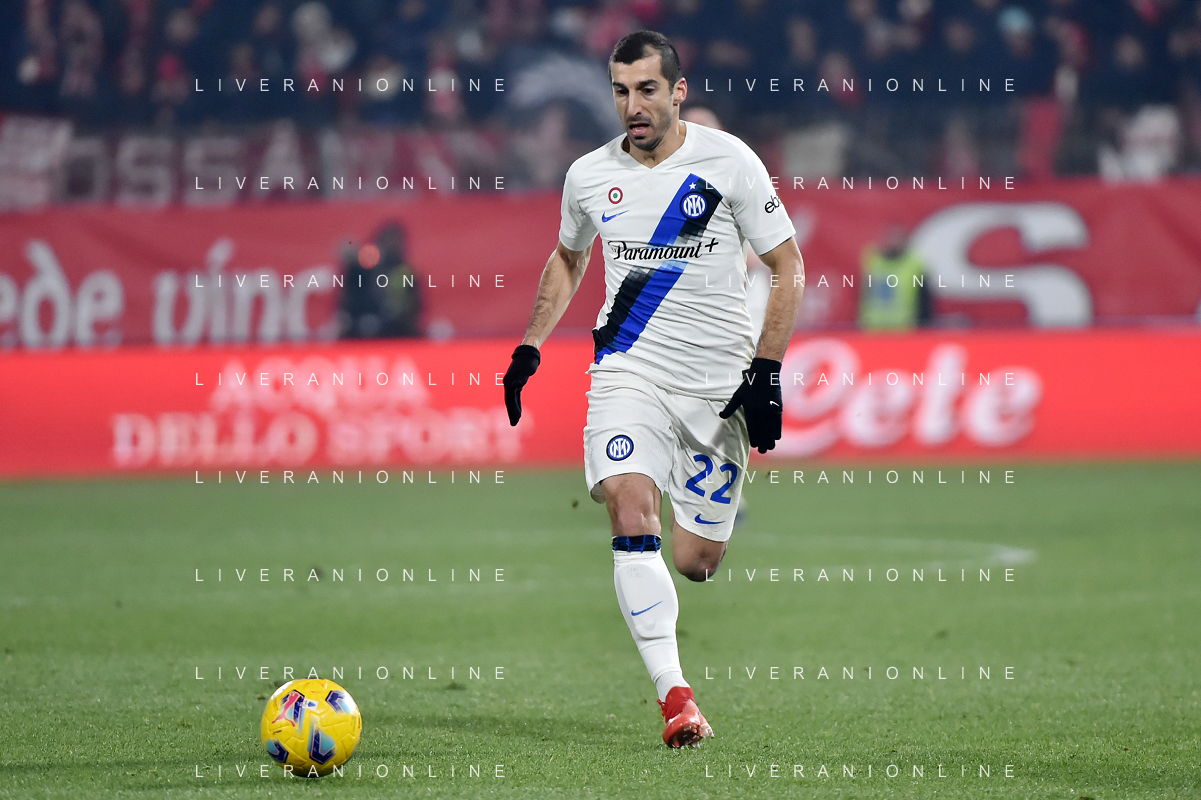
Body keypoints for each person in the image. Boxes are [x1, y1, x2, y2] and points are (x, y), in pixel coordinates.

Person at [501, 31, 805, 748]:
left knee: (696, 562)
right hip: (627, 369)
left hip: (716, 386)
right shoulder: (588, 175)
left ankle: (691, 541)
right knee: (628, 502)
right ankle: (676, 697)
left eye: (645, 89)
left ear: (677, 91)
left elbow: (787, 266)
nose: (631, 106)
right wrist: (529, 344)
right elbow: (568, 257)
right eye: (619, 91)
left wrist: (765, 372)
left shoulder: (729, 161)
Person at [858, 224, 930, 331]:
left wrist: (922, 325)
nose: (893, 242)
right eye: (890, 238)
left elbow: (924, 300)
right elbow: (863, 294)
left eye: (897, 238)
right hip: (873, 328)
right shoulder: (873, 260)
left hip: (903, 329)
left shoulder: (914, 265)